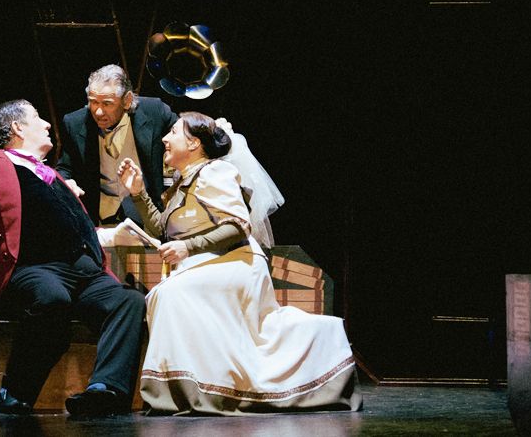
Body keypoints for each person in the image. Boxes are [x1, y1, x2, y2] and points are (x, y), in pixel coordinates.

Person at [117, 112, 362, 415]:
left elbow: (237, 225)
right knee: (165, 294)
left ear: (193, 144)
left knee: (169, 294)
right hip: (206, 264)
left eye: (174, 132)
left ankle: (197, 390)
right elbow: (163, 229)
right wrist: (138, 192)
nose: (165, 139)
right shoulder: (182, 183)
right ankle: (196, 386)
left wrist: (187, 247)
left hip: (236, 262)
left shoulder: (215, 172)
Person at [0, 99, 146, 417]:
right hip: (32, 269)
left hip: (84, 272)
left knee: (128, 301)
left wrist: (111, 236)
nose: (47, 124)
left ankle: (105, 390)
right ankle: (16, 390)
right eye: (37, 118)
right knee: (52, 298)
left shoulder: (50, 174)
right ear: (17, 128)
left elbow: (68, 227)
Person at [57, 64, 178, 227]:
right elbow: (65, 167)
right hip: (100, 219)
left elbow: (187, 138)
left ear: (127, 100)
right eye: (93, 102)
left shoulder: (155, 111)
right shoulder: (74, 123)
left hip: (148, 217)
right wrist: (66, 182)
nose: (98, 112)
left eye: (107, 104)